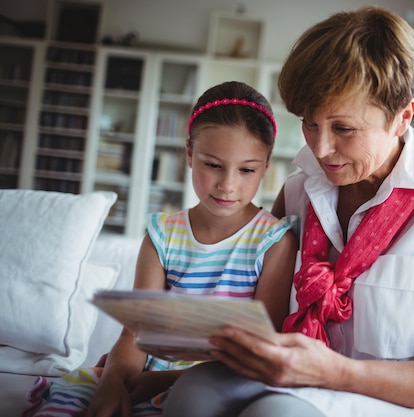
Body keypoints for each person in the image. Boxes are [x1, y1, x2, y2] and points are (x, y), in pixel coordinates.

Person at [163, 6, 414, 417]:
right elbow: (260, 317)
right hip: (308, 383)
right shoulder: (297, 192)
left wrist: (337, 372)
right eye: (309, 123)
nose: (320, 147)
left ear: (402, 116)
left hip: (408, 402)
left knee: (276, 415)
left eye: (343, 129)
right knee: (191, 395)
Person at [25, 81, 298, 417]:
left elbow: (260, 350)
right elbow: (135, 333)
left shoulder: (274, 242)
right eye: (212, 164)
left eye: (246, 170)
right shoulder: (162, 235)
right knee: (75, 398)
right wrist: (113, 379)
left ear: (266, 165)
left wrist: (165, 381)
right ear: (189, 154)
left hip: (219, 382)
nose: (228, 184)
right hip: (147, 372)